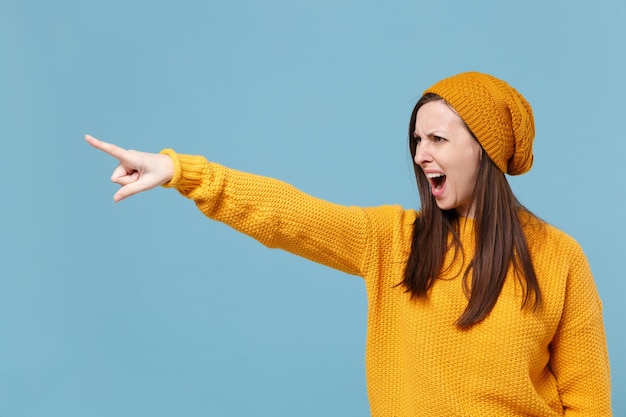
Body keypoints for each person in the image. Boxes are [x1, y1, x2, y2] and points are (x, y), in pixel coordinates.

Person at [86, 71, 612, 416]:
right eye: (415, 140)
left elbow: (588, 401)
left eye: (438, 140)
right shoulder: (395, 241)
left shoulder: (559, 257)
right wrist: (181, 171)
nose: (420, 154)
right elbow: (288, 214)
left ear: (485, 151)